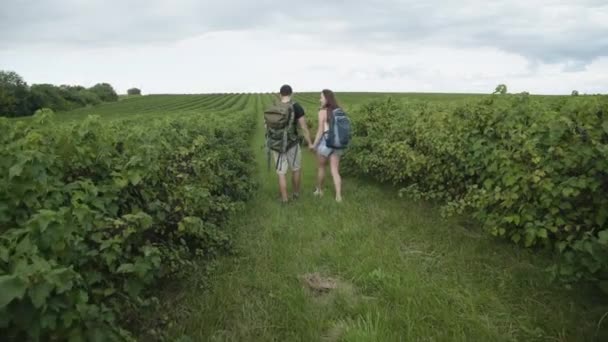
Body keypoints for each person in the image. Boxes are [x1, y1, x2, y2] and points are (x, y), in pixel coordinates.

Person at [270, 85, 313, 204]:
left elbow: (267, 125)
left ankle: (284, 199)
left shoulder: (274, 106)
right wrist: (309, 143)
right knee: (296, 169)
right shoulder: (296, 106)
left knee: (281, 173)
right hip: (292, 143)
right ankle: (295, 194)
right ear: (291, 93)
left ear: (280, 94)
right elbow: (303, 127)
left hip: (277, 144)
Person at [312, 89, 344, 203]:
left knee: (321, 167)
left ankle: (319, 190)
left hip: (325, 143)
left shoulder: (322, 112)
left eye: (321, 97)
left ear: (326, 98)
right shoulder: (339, 111)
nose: (320, 99)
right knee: (335, 170)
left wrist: (314, 145)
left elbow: (320, 131)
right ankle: (338, 196)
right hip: (338, 143)